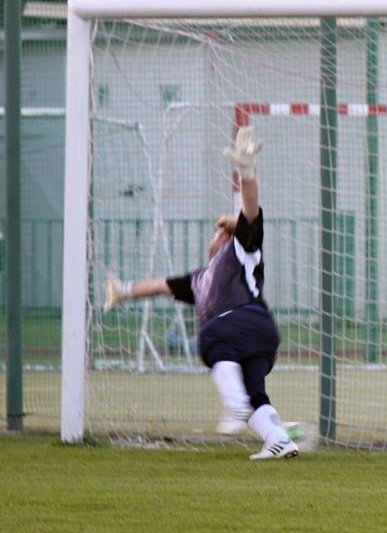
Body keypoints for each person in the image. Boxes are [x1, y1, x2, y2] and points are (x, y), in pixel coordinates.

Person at [104, 127, 299, 460]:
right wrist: (122, 291)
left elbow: (251, 210)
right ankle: (278, 439)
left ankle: (234, 406)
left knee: (208, 338)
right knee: (255, 395)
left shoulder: (242, 249)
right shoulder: (198, 280)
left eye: (218, 234)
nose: (213, 239)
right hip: (255, 341)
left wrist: (247, 171)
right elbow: (159, 286)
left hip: (247, 323)